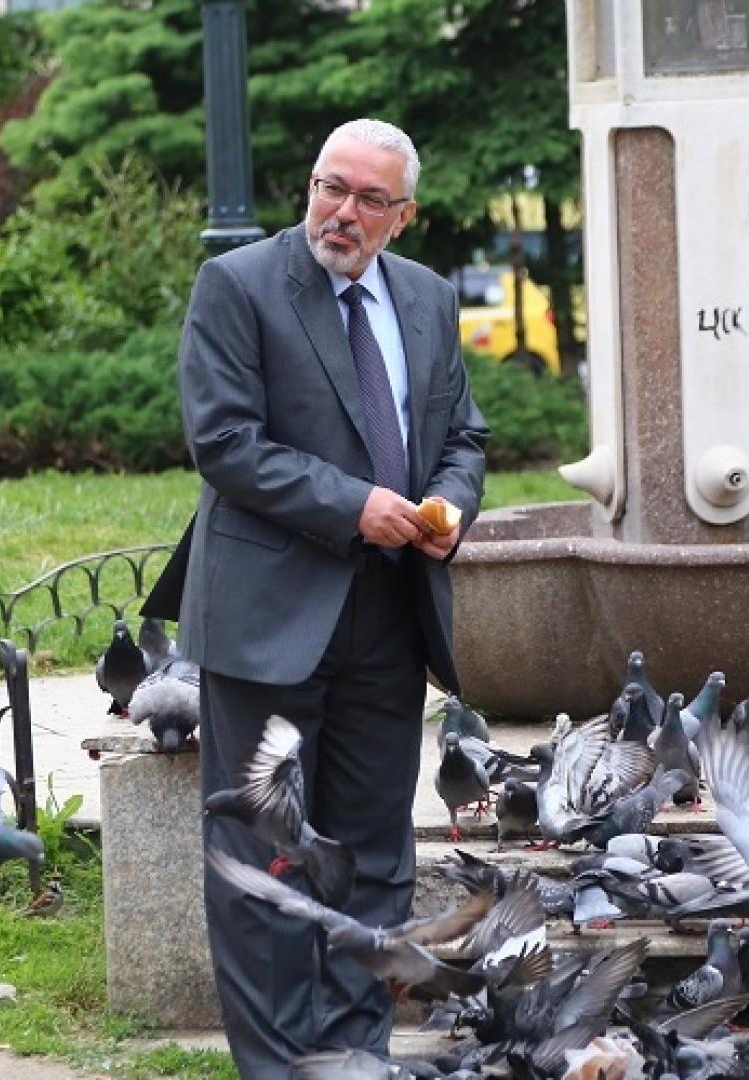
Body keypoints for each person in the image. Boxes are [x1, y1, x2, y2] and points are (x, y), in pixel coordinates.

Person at [175, 118, 490, 1079]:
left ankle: (354, 1064)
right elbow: (224, 442)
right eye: (329, 187)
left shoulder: (430, 300)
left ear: (404, 215)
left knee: (374, 856)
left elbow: (464, 437)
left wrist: (453, 510)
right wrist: (358, 506)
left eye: (367, 199)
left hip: (392, 615)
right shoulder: (241, 286)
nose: (341, 213)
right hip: (271, 615)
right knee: (266, 860)